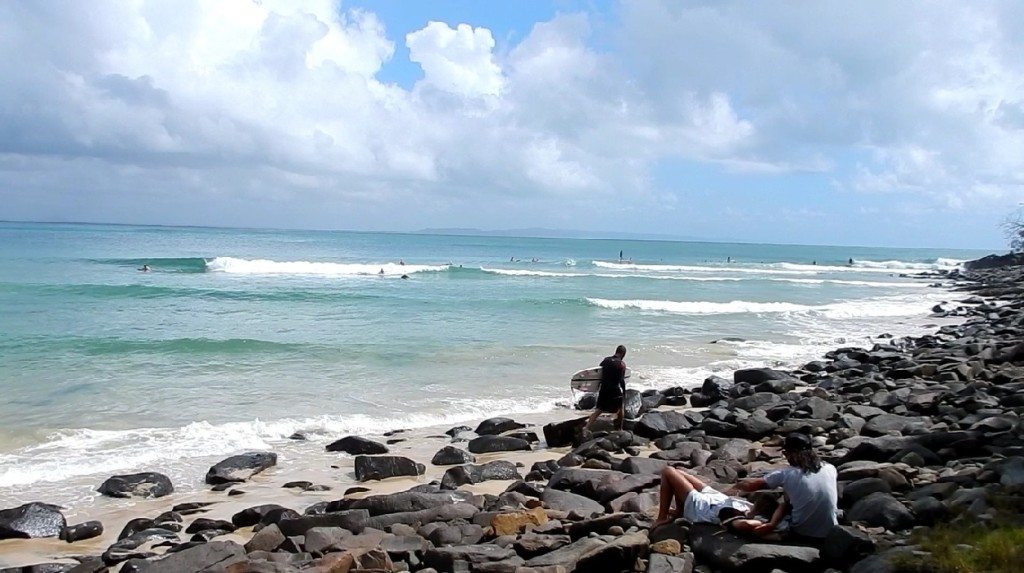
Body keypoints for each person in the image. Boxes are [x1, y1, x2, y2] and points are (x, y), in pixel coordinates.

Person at [730, 433, 838, 543]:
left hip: (801, 533)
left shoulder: (786, 474)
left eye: (785, 453)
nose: (785, 457)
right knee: (789, 498)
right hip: (829, 531)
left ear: (792, 453)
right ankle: (771, 524)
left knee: (766, 498)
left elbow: (751, 486)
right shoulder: (830, 468)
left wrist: (732, 487)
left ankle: (758, 525)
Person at [654, 467, 753, 527]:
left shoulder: (742, 520)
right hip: (719, 500)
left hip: (702, 508)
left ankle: (662, 518)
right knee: (678, 472)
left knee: (668, 471)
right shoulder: (754, 508)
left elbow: (745, 525)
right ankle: (680, 511)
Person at [586, 345, 627, 430]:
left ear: (616, 351)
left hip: (604, 389)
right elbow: (621, 380)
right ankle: (620, 428)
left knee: (599, 410)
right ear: (623, 354)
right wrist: (624, 392)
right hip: (614, 390)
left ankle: (586, 428)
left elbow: (599, 371)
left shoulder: (606, 360)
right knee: (621, 407)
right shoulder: (621, 364)